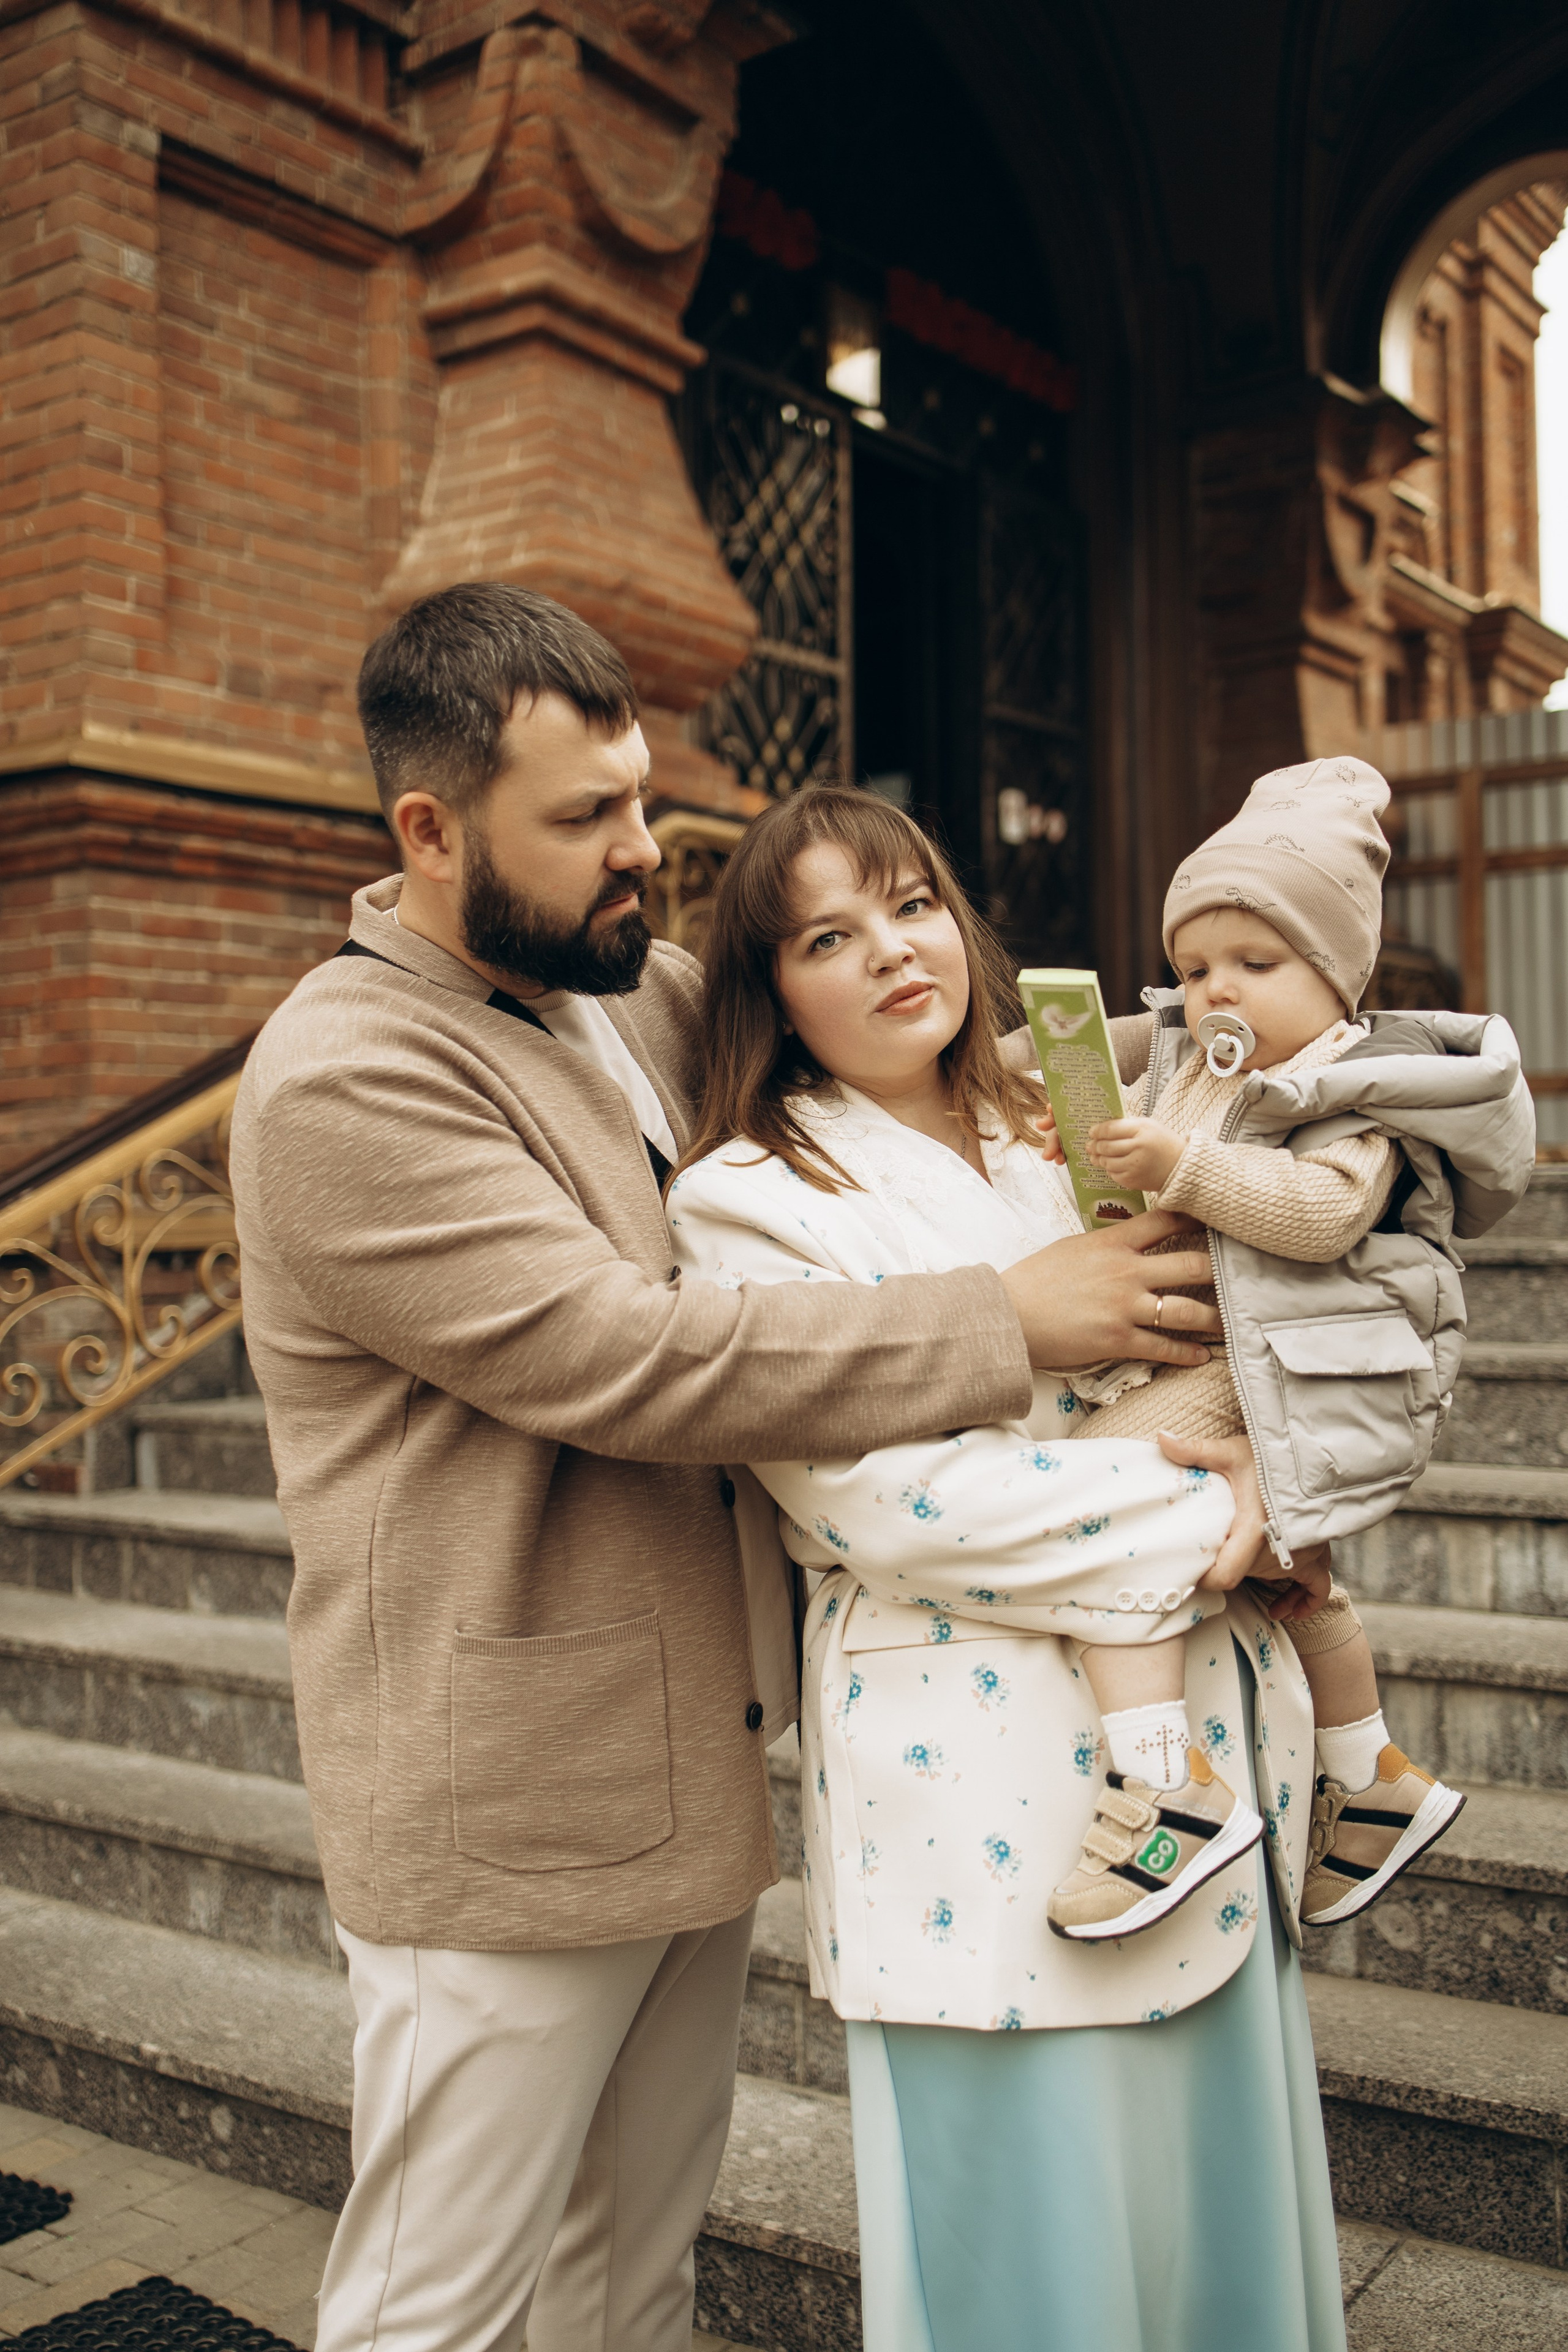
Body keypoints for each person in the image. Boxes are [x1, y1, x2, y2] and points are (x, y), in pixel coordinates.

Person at [228, 583, 1242, 2352]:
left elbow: (906, 1044)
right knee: (435, 2312)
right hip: (506, 1802)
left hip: (687, 1765)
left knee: (630, 2287)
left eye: (636, 798)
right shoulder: (346, 1076)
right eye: (586, 819)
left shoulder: (626, 996)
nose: (644, 848)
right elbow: (625, 1355)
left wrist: (1253, 1042)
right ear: (428, 828)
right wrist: (1007, 1318)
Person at [667, 782, 1346, 2352]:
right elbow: (883, 1502)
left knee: (1220, 2259)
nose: (893, 952)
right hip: (972, 1807)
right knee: (1028, 2284)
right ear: (770, 993)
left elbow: (1245, 1348)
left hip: (1198, 1773)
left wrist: (1281, 1478)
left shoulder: (1073, 1137)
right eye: (827, 936)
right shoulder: (747, 1204)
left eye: (911, 904)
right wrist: (1215, 1529)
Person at [1038, 756, 1531, 1943]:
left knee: (1093, 1498)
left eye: (1256, 967)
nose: (1216, 994)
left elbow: (1318, 1216)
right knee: (1285, 1577)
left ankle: (1164, 1788)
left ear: (1335, 982)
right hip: (1210, 1344)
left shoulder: (1349, 1093)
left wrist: (1186, 1169)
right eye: (1196, 966)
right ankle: (1370, 1774)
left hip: (1278, 1367)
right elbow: (1022, 1062)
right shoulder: (1183, 1054)